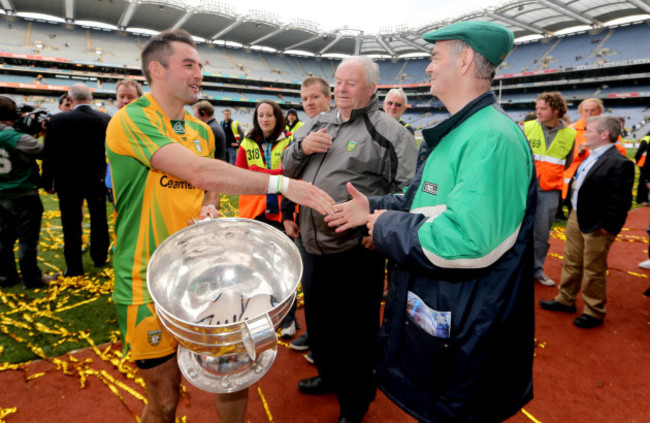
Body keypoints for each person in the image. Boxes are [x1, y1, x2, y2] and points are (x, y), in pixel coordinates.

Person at [105, 29, 333, 423]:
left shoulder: (199, 130)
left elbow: (205, 184)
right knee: (164, 403)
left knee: (233, 380)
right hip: (145, 282)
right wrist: (284, 184)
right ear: (157, 70)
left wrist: (209, 206)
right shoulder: (131, 120)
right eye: (188, 65)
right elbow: (194, 168)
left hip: (208, 280)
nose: (199, 73)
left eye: (200, 65)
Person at [325, 21, 535, 422]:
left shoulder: (492, 138)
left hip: (470, 334)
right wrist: (368, 208)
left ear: (466, 60)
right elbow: (418, 202)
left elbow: (468, 240)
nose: (427, 68)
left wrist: (382, 225)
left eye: (435, 57)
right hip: (448, 323)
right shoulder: (461, 133)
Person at [283, 56, 417, 423]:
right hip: (313, 247)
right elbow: (286, 167)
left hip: (356, 252)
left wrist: (380, 228)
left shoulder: (390, 133)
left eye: (351, 83)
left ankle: (356, 402)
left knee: (354, 335)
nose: (341, 89)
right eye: (338, 81)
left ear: (372, 89)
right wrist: (301, 147)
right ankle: (329, 375)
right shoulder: (318, 122)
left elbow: (410, 192)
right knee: (321, 324)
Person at [540, 115, 634, 328]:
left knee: (593, 268)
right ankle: (566, 298)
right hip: (576, 216)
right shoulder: (589, 156)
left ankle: (594, 311)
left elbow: (620, 202)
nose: (585, 133)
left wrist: (607, 227)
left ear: (604, 134)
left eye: (589, 130)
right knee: (571, 260)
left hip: (597, 224)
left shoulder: (620, 163)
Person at [282, 76, 332, 349]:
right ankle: (315, 337)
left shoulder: (343, 129)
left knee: (333, 292)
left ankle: (328, 343)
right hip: (306, 222)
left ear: (328, 98)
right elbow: (291, 177)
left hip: (334, 223)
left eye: (315, 97)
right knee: (311, 287)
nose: (309, 103)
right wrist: (288, 215)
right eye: (304, 99)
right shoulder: (300, 132)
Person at [42, 83, 110, 277]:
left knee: (70, 223)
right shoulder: (105, 118)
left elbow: (50, 153)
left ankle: (74, 267)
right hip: (96, 178)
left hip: (68, 181)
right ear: (91, 98)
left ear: (70, 100)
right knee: (99, 219)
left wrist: (48, 181)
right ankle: (100, 257)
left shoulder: (59, 119)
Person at [0, 96, 57, 289]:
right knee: (27, 239)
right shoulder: (17, 138)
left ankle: (6, 276)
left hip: (1, 194)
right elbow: (42, 151)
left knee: (4, 238)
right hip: (22, 193)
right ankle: (31, 278)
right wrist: (43, 133)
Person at [524, 92, 575, 286]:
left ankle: (536, 270)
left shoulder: (570, 134)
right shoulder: (528, 127)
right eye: (537, 108)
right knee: (515, 229)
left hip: (550, 191)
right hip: (524, 188)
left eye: (543, 108)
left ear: (556, 110)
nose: (538, 112)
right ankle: (513, 269)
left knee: (541, 235)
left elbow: (567, 161)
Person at [235, 100, 291, 230]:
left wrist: (255, 171)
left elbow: (289, 174)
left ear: (277, 117)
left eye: (269, 115)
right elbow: (238, 177)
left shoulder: (289, 141)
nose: (265, 119)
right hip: (251, 210)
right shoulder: (247, 142)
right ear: (256, 118)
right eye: (261, 115)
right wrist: (276, 173)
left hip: (281, 211)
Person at [107, 79, 144, 203]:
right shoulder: (113, 122)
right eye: (121, 96)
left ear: (139, 98)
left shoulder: (145, 123)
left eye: (130, 97)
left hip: (137, 186)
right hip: (115, 183)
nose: (125, 101)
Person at [634, 131, 650, 205]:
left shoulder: (646, 139)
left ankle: (644, 199)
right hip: (644, 163)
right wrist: (636, 160)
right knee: (644, 181)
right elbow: (639, 151)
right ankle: (641, 199)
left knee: (645, 181)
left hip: (645, 163)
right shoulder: (647, 139)